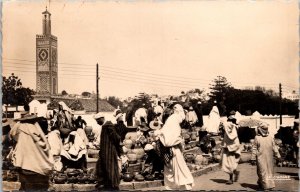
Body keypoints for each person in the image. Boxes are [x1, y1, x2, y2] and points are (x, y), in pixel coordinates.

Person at [155, 104, 194, 190]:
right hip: (173, 149)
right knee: (179, 167)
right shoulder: (175, 121)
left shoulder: (171, 120)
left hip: (166, 148)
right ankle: (184, 185)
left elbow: (164, 134)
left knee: (169, 169)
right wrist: (180, 141)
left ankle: (171, 186)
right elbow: (173, 138)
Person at [9, 115, 54, 191]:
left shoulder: (19, 126)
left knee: (25, 183)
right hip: (35, 165)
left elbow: (12, 135)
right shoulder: (35, 127)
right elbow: (45, 144)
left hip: (23, 161)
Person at [95, 113, 122, 191]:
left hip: (109, 150)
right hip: (104, 151)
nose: (97, 122)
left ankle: (114, 185)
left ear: (102, 118)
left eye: (97, 120)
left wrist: (117, 147)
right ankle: (106, 184)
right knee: (102, 167)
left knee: (110, 167)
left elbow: (116, 137)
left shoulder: (108, 125)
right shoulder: (104, 126)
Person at [251, 122, 281, 190]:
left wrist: (278, 156)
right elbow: (254, 148)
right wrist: (252, 158)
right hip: (261, 157)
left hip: (269, 157)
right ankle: (265, 185)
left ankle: (266, 185)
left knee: (268, 171)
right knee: (262, 171)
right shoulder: (257, 137)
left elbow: (274, 147)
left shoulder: (270, 137)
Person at [220, 117, 241, 185]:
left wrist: (230, 148)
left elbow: (237, 144)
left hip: (232, 151)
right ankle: (235, 172)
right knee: (228, 165)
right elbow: (225, 140)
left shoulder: (234, 133)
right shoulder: (227, 133)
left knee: (231, 165)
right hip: (227, 151)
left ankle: (231, 179)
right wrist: (224, 146)